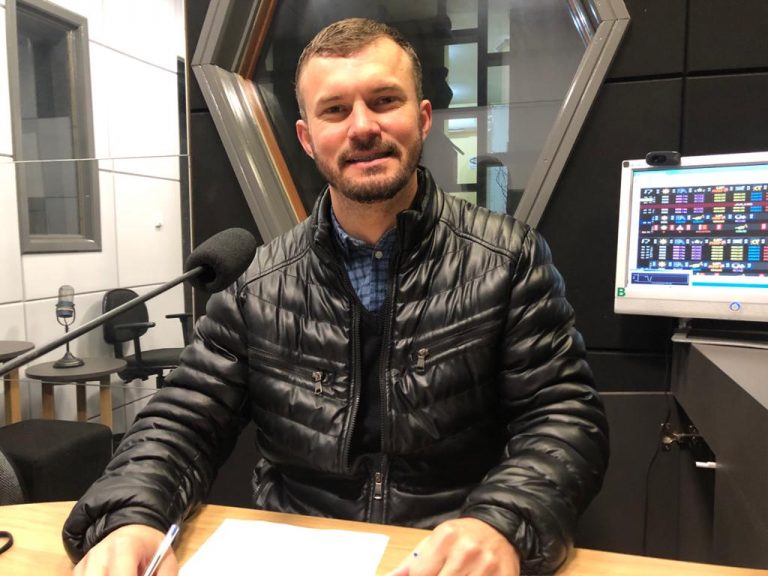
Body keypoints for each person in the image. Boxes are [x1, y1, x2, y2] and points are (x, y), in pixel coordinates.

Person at [63, 18, 609, 576]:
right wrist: (133, 517)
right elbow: (183, 421)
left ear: (422, 118)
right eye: (335, 110)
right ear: (307, 138)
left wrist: (502, 522)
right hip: (296, 555)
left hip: (448, 555)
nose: (363, 126)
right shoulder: (257, 283)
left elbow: (562, 419)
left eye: (384, 100)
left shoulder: (508, 259)